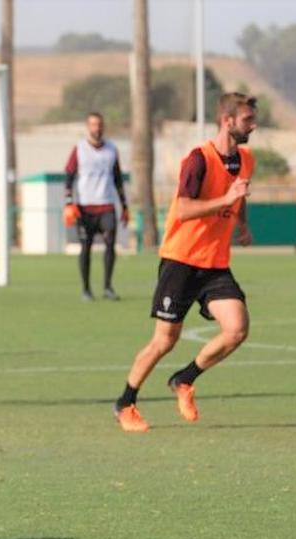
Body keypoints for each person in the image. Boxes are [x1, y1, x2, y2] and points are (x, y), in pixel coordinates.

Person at [113, 93, 258, 432]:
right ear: (228, 121)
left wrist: (242, 222)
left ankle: (184, 378)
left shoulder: (247, 158)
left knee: (237, 329)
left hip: (215, 264)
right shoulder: (198, 159)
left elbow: (240, 191)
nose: (253, 125)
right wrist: (226, 199)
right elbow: (184, 209)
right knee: (164, 341)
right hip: (181, 261)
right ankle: (125, 403)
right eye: (247, 120)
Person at [62, 111, 128, 301]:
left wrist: (124, 206)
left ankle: (108, 286)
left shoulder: (112, 149)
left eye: (99, 125)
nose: (96, 128)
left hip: (106, 205)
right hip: (84, 207)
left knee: (110, 244)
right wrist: (68, 203)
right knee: (86, 247)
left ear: (103, 126)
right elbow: (69, 176)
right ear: (87, 127)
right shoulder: (79, 148)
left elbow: (117, 179)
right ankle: (86, 289)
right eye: (93, 125)